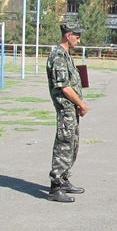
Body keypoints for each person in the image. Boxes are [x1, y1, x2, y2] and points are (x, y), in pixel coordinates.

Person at [47, 23, 89, 203]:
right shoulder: (58, 56)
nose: (79, 40)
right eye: (77, 36)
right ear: (68, 35)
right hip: (66, 108)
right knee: (64, 145)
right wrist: (82, 104)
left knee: (72, 144)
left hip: (71, 109)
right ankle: (55, 186)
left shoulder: (65, 55)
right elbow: (64, 87)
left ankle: (63, 179)